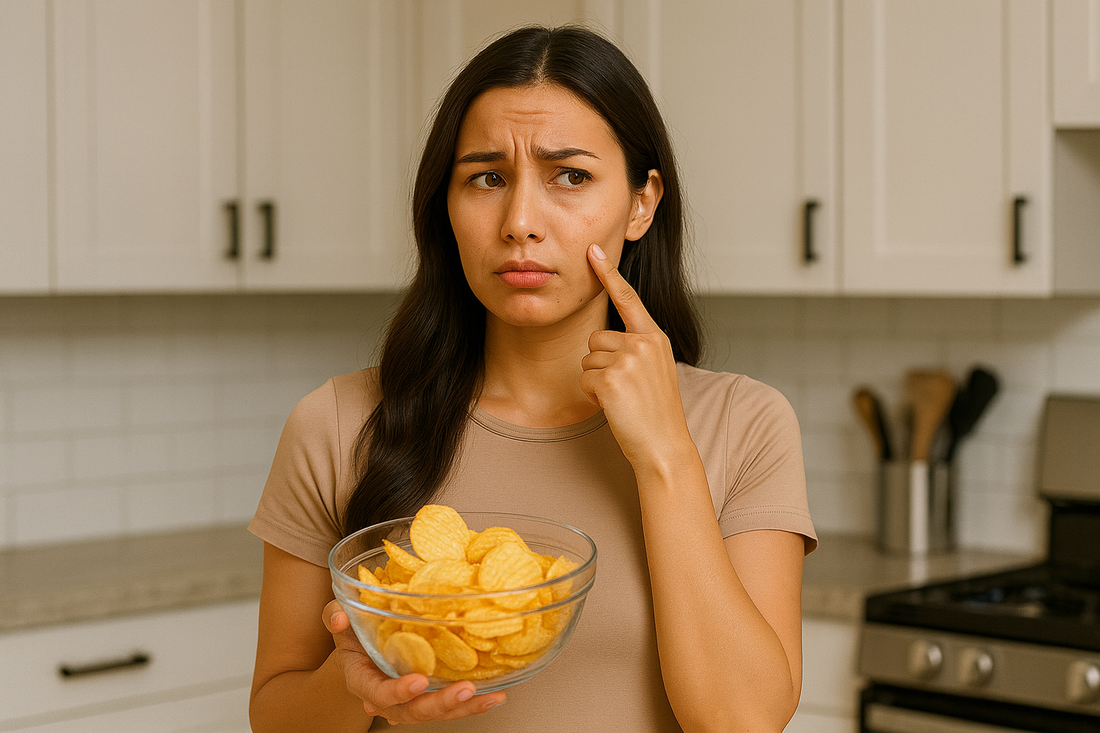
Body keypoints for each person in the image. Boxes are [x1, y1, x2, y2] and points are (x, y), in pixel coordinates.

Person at [247, 24, 816, 733]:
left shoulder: (746, 424)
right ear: (445, 206)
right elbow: (274, 714)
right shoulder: (335, 424)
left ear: (642, 202)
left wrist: (667, 454)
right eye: (486, 177)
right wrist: (356, 685)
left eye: (570, 176)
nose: (520, 221)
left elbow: (744, 721)